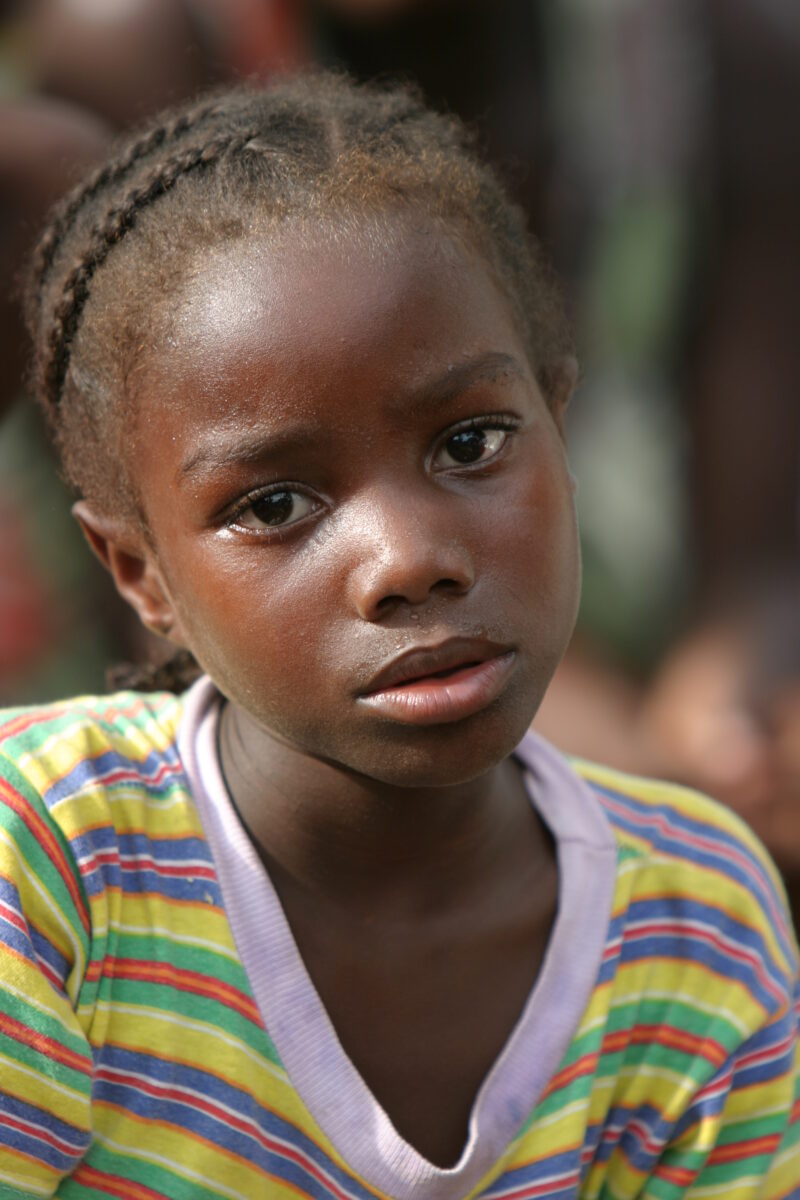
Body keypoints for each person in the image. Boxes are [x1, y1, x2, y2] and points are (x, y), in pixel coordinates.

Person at [2, 75, 798, 1198]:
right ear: (142, 576)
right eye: (273, 506)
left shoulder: (695, 926)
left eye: (470, 442)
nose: (407, 557)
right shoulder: (49, 864)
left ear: (557, 433)